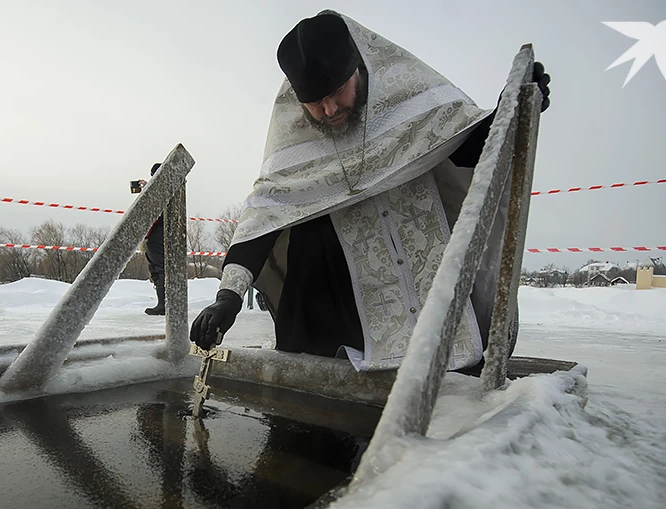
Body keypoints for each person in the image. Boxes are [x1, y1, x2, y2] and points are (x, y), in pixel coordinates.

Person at [191, 11, 550, 373]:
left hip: (420, 277)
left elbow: (467, 145)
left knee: (444, 390)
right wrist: (229, 298)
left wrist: (511, 109)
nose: (328, 109)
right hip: (336, 315)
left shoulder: (408, 100)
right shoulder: (294, 141)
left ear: (358, 69)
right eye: (314, 102)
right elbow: (264, 218)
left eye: (336, 92)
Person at [139, 162, 165, 315]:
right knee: (155, 267)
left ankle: (164, 304)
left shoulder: (163, 189)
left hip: (157, 232)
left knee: (159, 266)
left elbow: (156, 208)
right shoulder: (161, 188)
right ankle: (162, 302)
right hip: (153, 233)